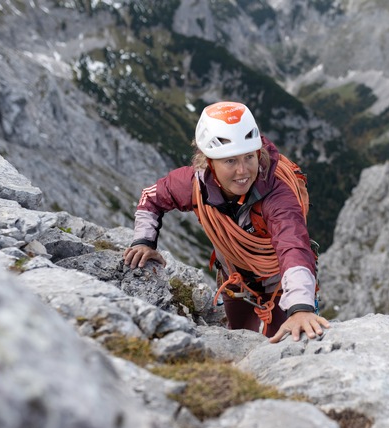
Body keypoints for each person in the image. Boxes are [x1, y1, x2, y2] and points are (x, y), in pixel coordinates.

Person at [123, 101, 330, 343]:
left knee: (287, 343)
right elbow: (152, 198)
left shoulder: (276, 193)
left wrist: (300, 307)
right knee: (235, 338)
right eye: (230, 161)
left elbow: (292, 244)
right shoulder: (194, 184)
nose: (243, 171)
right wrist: (145, 242)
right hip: (235, 279)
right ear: (208, 161)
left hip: (281, 286)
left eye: (249, 157)